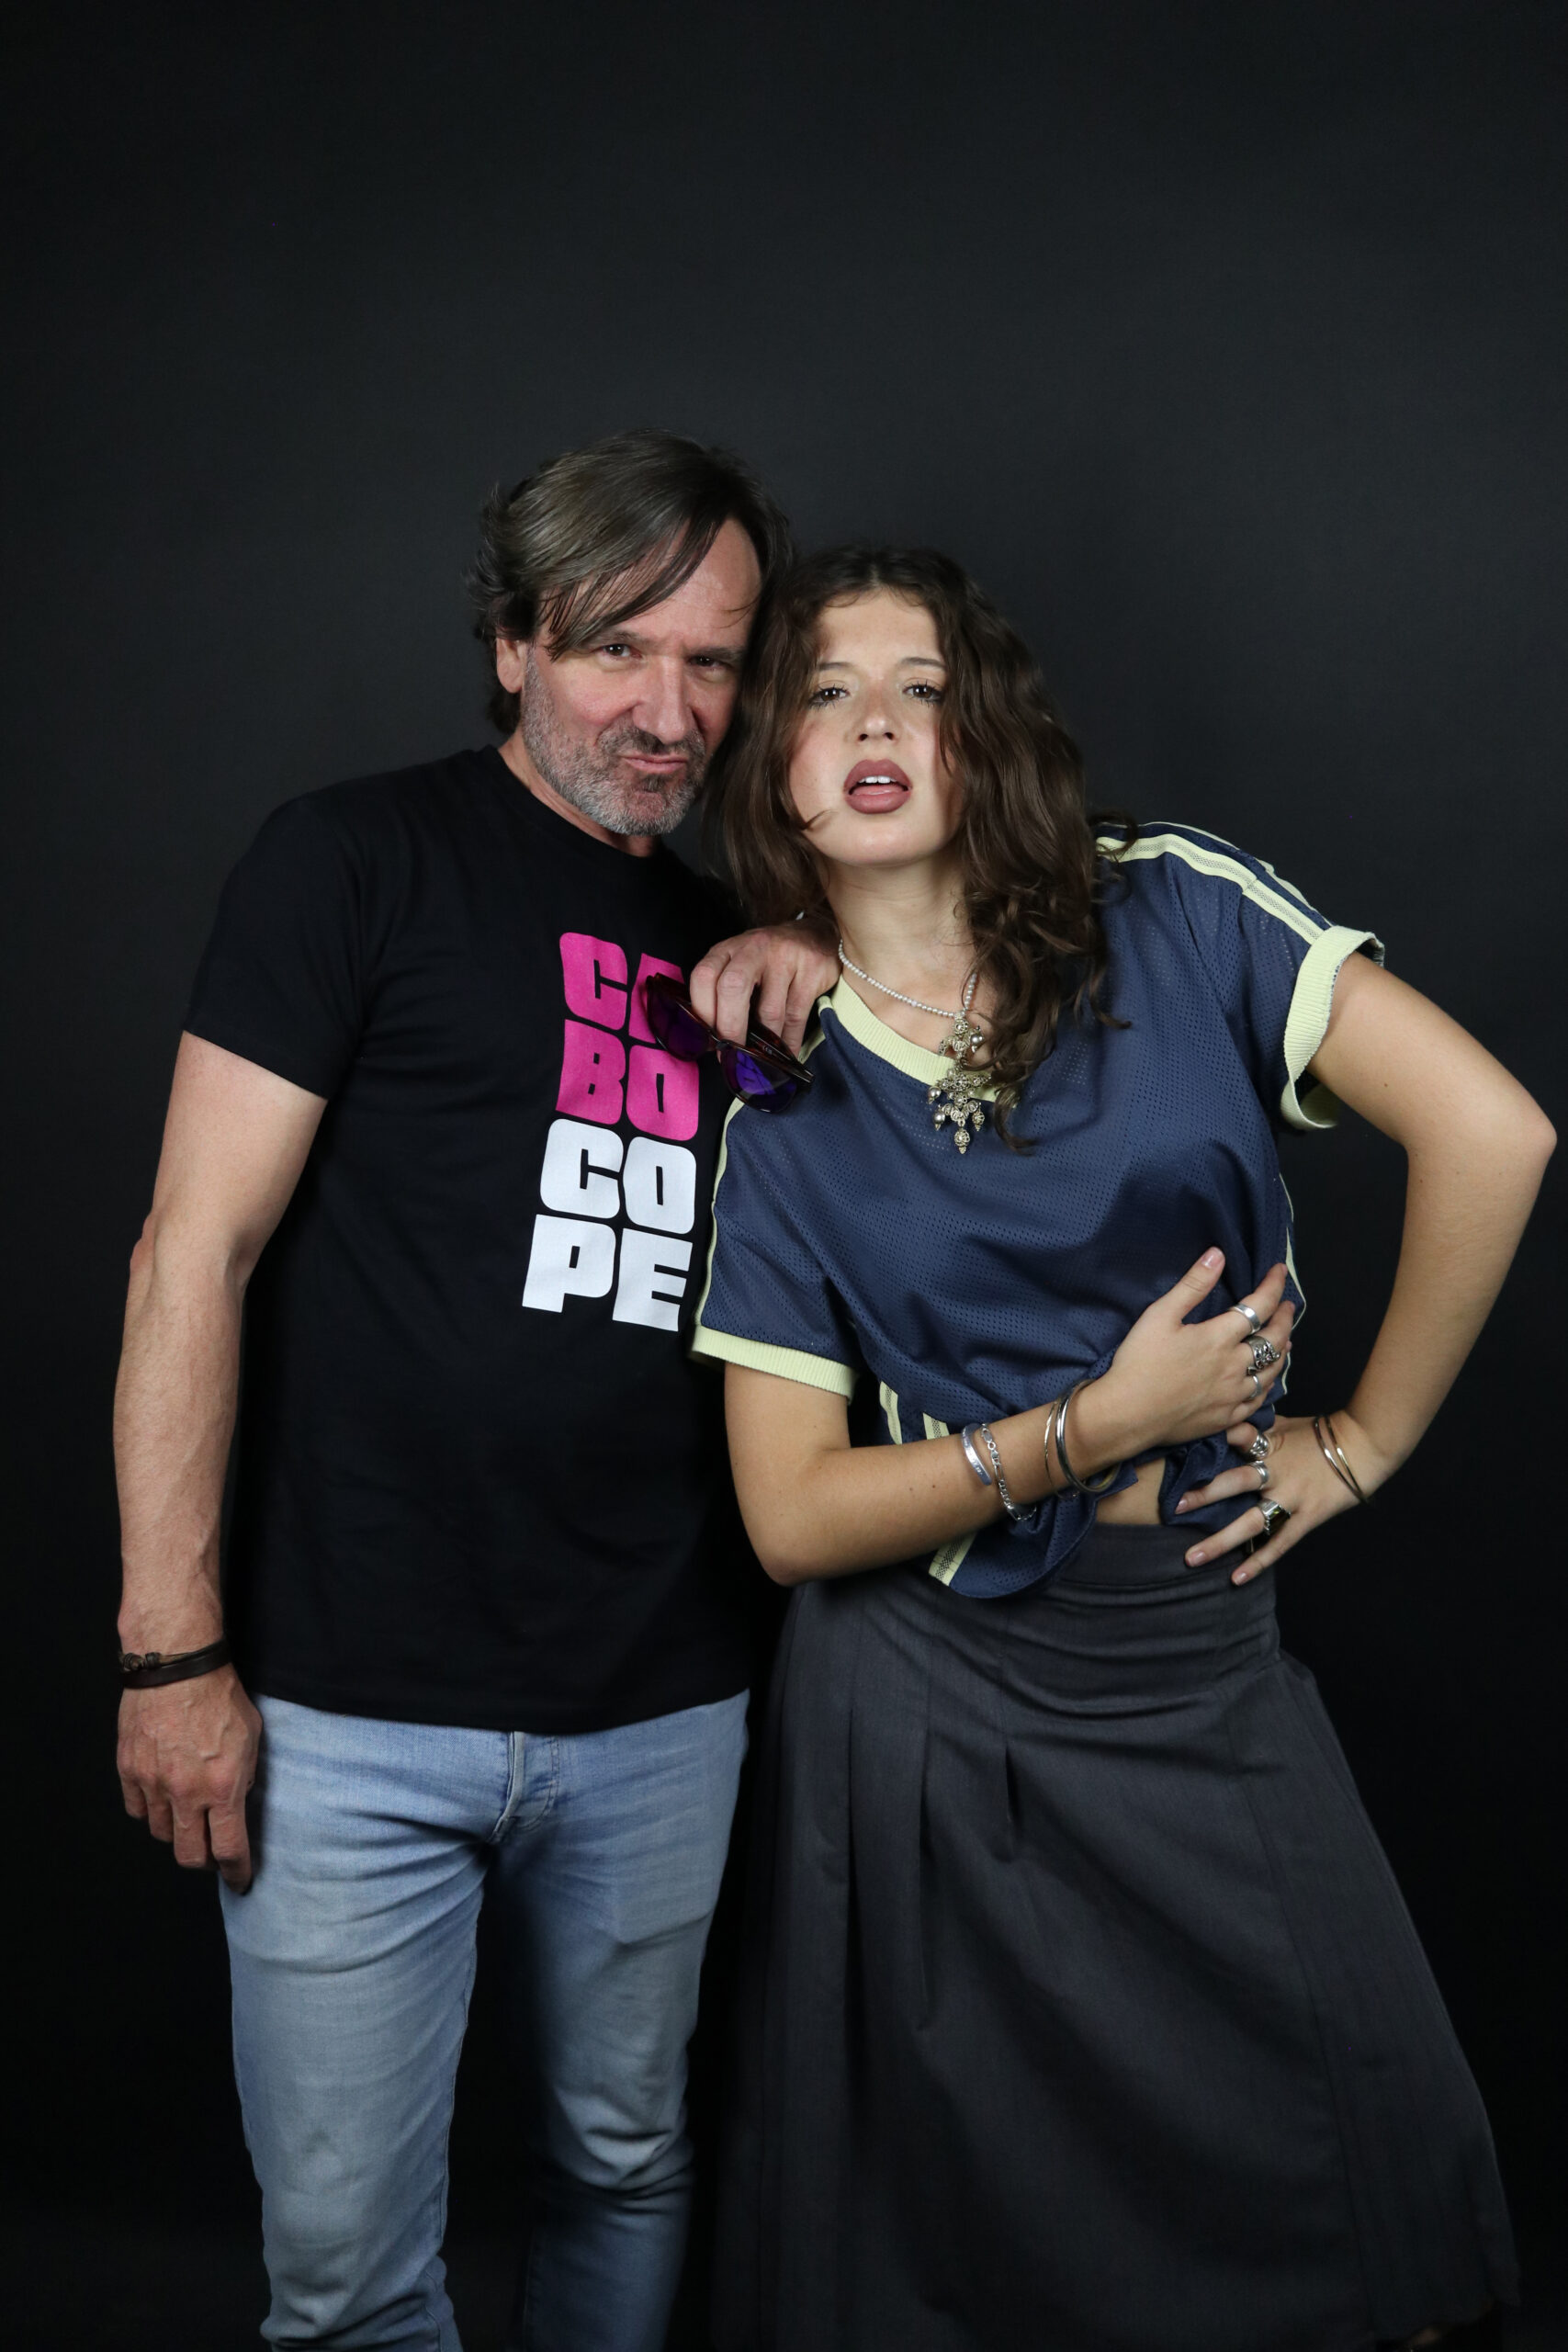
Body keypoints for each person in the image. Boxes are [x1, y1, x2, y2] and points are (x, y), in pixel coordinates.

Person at [688, 546, 1553, 2352]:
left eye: (919, 686)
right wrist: (1094, 1425)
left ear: (985, 727)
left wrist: (1362, 1441)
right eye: (823, 692)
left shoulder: (1168, 910)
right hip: (925, 1700)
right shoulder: (781, 1101)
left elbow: (1495, 1131)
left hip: (1188, 1641)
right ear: (772, 762)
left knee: (1374, 2189)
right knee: (958, 2255)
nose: (871, 722)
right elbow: (788, 1516)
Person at [112, 428, 844, 2352]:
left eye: (713, 660)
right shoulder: (352, 859)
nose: (671, 711)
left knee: (626, 2166)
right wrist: (170, 1651)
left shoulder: (746, 945)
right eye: (617, 648)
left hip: (666, 1701)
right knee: (354, 2276)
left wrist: (818, 946)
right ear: (513, 640)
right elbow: (192, 1254)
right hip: (346, 1709)